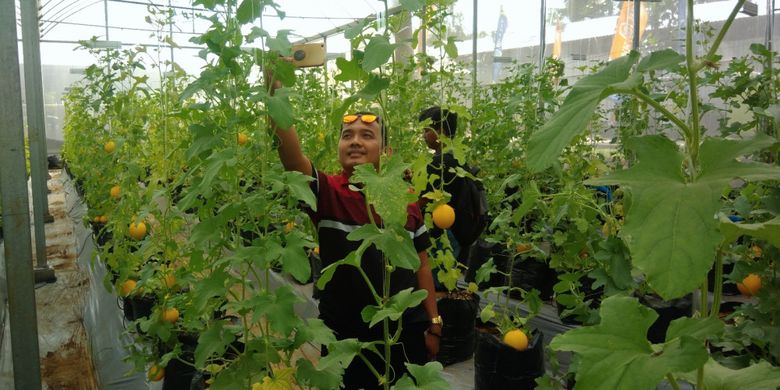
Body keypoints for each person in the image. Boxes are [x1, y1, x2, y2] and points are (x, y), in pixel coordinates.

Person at [267, 75, 441, 389]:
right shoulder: (328, 192)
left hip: (404, 332)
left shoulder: (406, 200)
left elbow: (423, 265)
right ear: (339, 148)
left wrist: (434, 323)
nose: (355, 141)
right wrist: (274, 92)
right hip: (346, 334)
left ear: (385, 151)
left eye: (367, 135)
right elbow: (290, 157)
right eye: (347, 135)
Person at [418, 106, 467, 260]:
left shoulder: (438, 161)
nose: (423, 135)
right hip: (456, 227)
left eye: (426, 131)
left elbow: (422, 199)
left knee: (435, 278)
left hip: (441, 231)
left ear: (440, 131)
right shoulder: (457, 156)